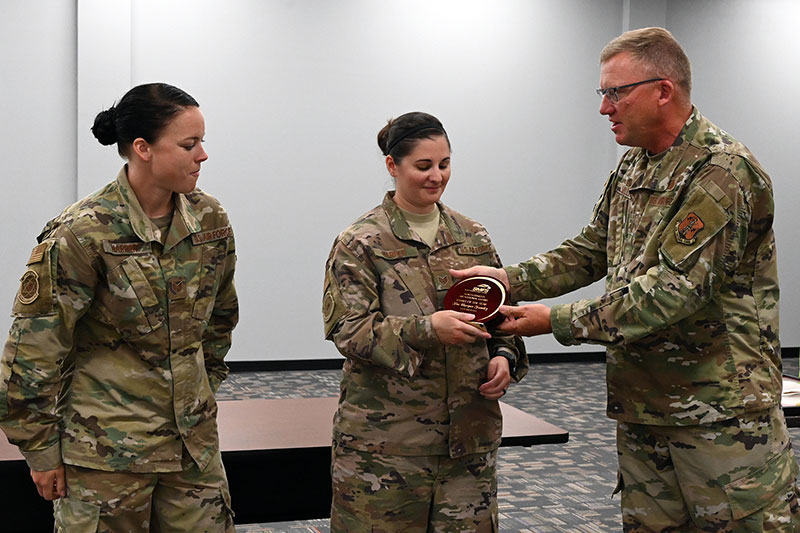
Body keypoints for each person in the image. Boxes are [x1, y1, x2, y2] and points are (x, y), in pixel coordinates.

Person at [454, 27, 800, 531]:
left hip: (719, 413)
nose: (604, 108)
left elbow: (672, 292)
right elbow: (592, 249)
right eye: (603, 94)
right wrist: (508, 279)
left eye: (616, 92)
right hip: (645, 402)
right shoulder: (633, 166)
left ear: (664, 90)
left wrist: (557, 321)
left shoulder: (722, 173)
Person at [0, 83, 238, 531]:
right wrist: (41, 450)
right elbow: (33, 352)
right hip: (105, 455)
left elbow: (220, 318)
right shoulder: (84, 232)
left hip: (193, 450)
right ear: (142, 148)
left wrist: (202, 389)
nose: (202, 155)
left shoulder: (210, 220)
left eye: (202, 142)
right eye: (189, 144)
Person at [322, 111, 528, 532]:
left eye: (445, 164)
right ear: (392, 166)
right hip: (388, 444)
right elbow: (349, 329)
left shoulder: (473, 236)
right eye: (424, 166)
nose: (437, 176)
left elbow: (502, 315)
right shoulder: (361, 241)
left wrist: (504, 356)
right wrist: (427, 329)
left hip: (468, 440)